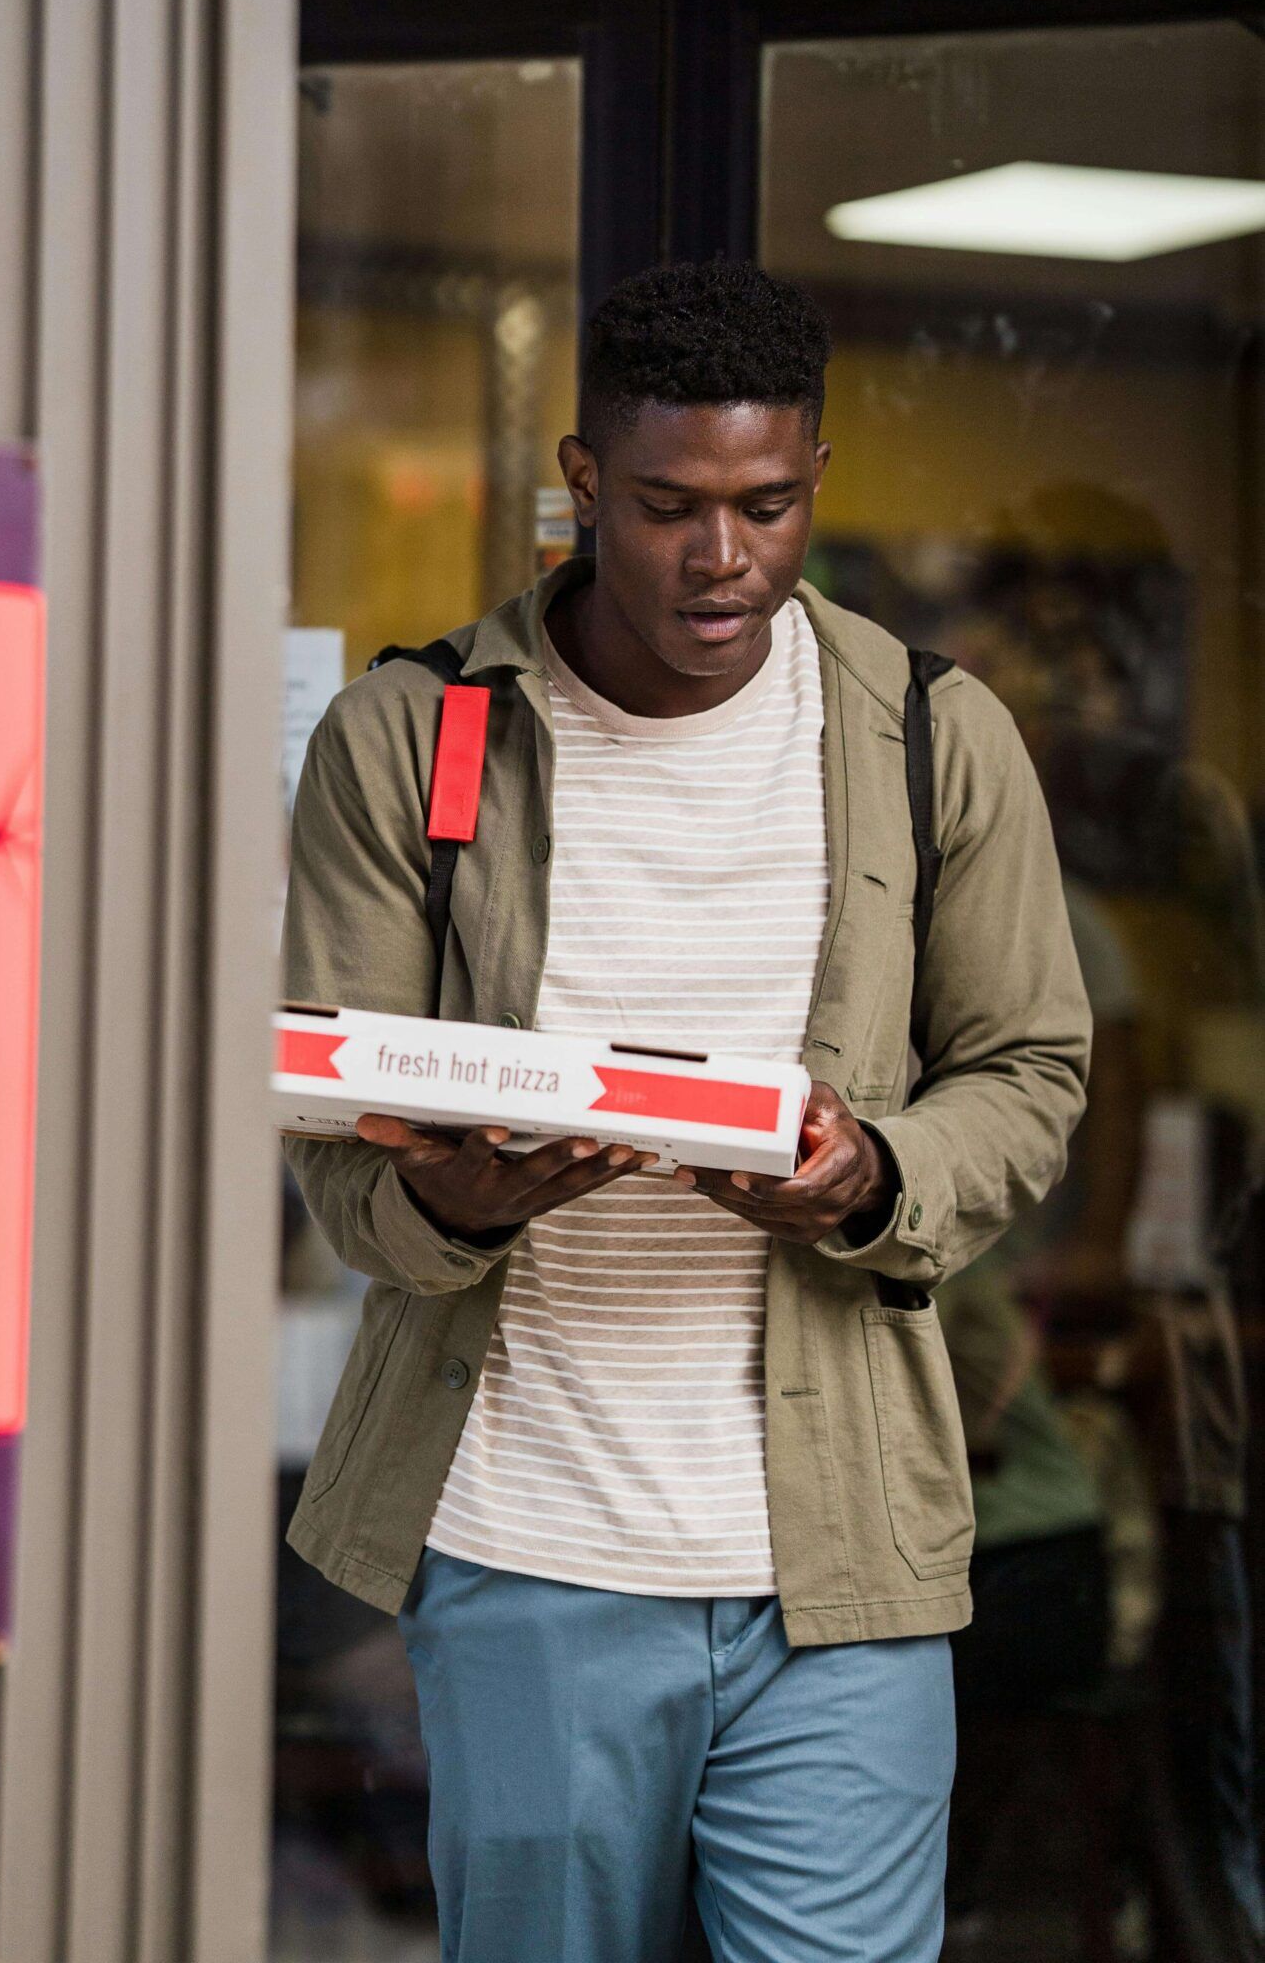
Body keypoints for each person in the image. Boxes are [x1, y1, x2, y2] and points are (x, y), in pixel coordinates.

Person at [282, 265, 1092, 1963]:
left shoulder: (935, 736)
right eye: (667, 508)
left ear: (813, 477)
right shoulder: (410, 735)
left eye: (768, 504)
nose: (722, 558)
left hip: (846, 1563)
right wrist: (473, 1199)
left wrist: (876, 1172)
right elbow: (336, 1146)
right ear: (584, 479)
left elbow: (1029, 1076)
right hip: (528, 1546)